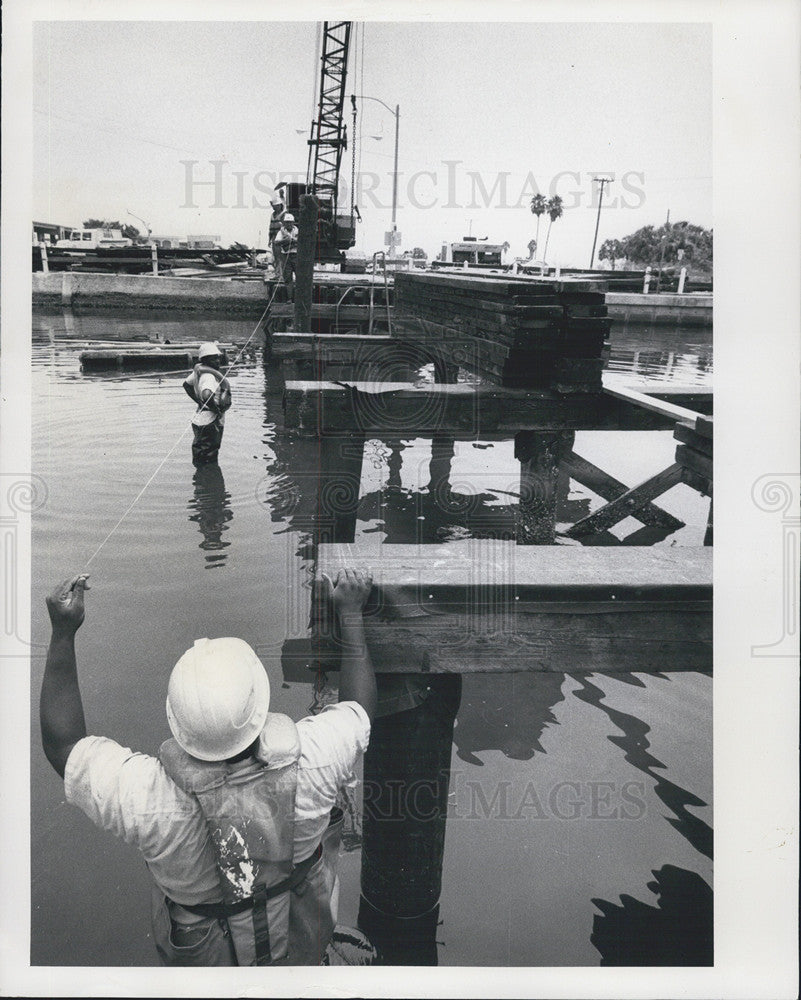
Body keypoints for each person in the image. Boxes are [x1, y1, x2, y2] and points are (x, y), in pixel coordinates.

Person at [40, 568, 377, 966]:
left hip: (207, 965)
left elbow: (64, 746)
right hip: (301, 936)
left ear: (176, 723)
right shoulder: (314, 759)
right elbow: (358, 711)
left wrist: (63, 630)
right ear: (259, 709)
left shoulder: (149, 800)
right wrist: (351, 614)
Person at [183, 342, 231, 466]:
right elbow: (207, 394)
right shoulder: (209, 376)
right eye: (214, 358)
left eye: (218, 357)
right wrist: (215, 409)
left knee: (199, 452)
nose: (218, 361)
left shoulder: (198, 372)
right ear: (205, 360)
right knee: (210, 456)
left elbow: (186, 385)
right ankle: (209, 481)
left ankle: (200, 481)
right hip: (210, 421)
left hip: (199, 419)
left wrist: (198, 401)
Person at [272, 213, 298, 301]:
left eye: (290, 222)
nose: (289, 224)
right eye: (287, 222)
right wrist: (285, 240)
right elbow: (276, 242)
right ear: (284, 223)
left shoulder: (298, 231)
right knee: (287, 278)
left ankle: (299, 298)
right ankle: (289, 298)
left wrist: (294, 240)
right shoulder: (281, 232)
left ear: (293, 223)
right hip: (286, 256)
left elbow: (303, 242)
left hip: (296, 256)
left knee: (300, 277)